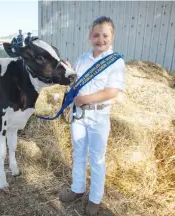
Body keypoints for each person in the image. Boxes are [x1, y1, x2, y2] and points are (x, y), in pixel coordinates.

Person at [58, 16, 125, 216]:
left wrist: (84, 99)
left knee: (96, 159)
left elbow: (112, 92)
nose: (100, 39)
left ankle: (95, 199)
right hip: (79, 117)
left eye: (105, 35)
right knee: (78, 154)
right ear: (90, 36)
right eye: (96, 35)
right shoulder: (83, 58)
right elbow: (76, 84)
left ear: (112, 36)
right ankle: (77, 189)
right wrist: (69, 72)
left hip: (99, 117)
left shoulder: (116, 61)